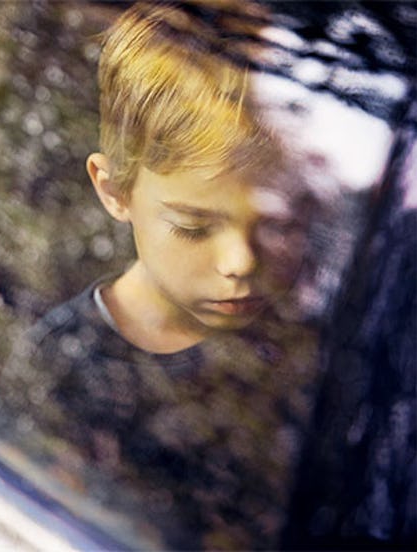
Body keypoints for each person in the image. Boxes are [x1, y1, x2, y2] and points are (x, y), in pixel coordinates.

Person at [18, 2, 321, 549]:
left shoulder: (304, 355)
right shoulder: (60, 363)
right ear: (114, 191)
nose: (241, 262)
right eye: (194, 226)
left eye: (274, 224)